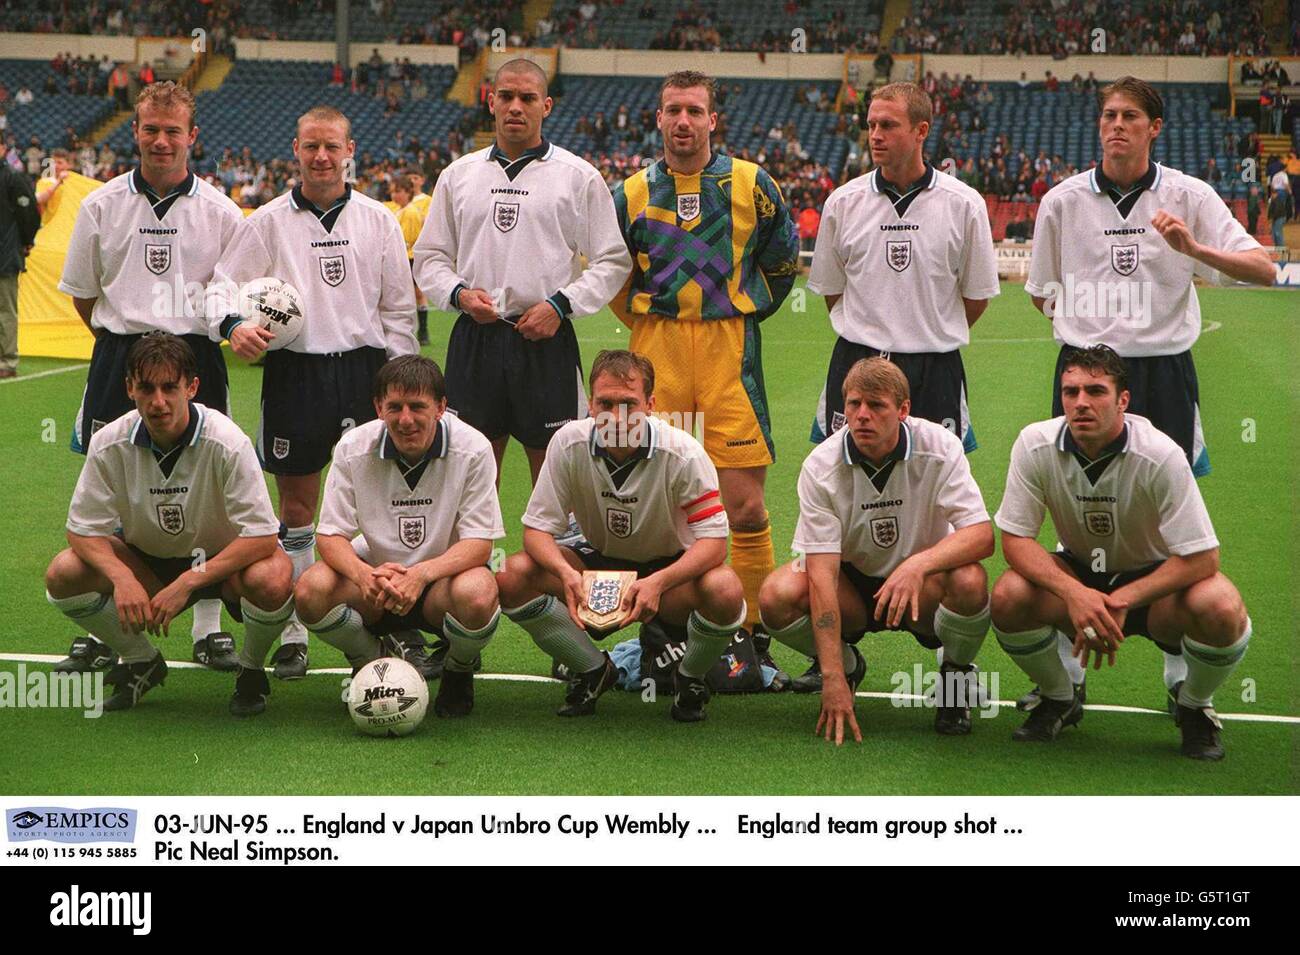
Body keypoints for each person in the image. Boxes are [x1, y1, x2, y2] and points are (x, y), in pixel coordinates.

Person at [1024, 77, 1272, 711]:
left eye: (1131, 115)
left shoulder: (1189, 195)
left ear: (1154, 126)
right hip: (1084, 370)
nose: (1117, 125)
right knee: (1069, 507)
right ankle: (1065, 673)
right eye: (1108, 114)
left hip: (1161, 371)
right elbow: (1041, 289)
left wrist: (1193, 249)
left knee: (1169, 517)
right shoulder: (1061, 200)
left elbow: (1264, 269)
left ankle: (1180, 678)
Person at [207, 104, 418, 680]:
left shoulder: (378, 220)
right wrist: (234, 328)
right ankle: (297, 630)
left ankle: (391, 622)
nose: (321, 157)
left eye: (332, 147)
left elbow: (399, 308)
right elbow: (220, 288)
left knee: (382, 506)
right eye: (310, 147)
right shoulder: (268, 222)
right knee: (298, 508)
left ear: (351, 152)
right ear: (295, 151)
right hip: (295, 375)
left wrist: (398, 381)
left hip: (365, 375)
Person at [799, 81, 997, 692]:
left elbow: (976, 298)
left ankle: (949, 655)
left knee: (939, 502)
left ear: (920, 130)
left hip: (933, 365)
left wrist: (921, 333)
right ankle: (838, 647)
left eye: (887, 125)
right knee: (845, 485)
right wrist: (874, 336)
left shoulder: (964, 203)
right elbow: (831, 289)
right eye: (870, 124)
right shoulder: (843, 202)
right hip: (856, 360)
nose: (875, 135)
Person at [56, 82, 245, 674]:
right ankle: (114, 624)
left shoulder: (221, 211)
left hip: (194, 355)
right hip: (121, 357)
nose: (161, 141)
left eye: (172, 131)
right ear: (134, 132)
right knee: (111, 488)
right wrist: (126, 347)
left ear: (192, 136)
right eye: (150, 130)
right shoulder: (101, 205)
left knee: (206, 492)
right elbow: (86, 298)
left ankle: (207, 625)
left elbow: (229, 294)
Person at [610, 69, 799, 654]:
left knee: (742, 506)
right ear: (659, 118)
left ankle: (748, 636)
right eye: (673, 110)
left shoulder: (753, 184)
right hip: (656, 353)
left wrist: (738, 313)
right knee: (651, 503)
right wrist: (649, 322)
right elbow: (615, 275)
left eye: (695, 110)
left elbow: (783, 260)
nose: (684, 121)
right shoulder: (631, 193)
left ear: (713, 119)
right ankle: (655, 630)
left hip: (728, 352)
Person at [991, 345, 1251, 761]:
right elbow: (1015, 541)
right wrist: (1075, 594)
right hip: (1078, 573)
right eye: (1070, 391)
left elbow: (1204, 558)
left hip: (1153, 585)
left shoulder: (1161, 454)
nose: (1081, 403)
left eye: (1096, 391)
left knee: (1220, 607)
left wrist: (1122, 600)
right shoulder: (1034, 444)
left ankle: (1194, 704)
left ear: (1123, 400)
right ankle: (1060, 698)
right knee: (1007, 596)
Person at [43, 334, 294, 714]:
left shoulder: (227, 441)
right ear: (129, 388)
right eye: (146, 388)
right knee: (63, 573)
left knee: (273, 577)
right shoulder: (109, 442)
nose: (158, 402)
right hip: (149, 561)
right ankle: (142, 661)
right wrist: (123, 578)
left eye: (169, 388)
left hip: (224, 564)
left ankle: (251, 668)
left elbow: (261, 536)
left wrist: (190, 581)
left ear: (191, 387)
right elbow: (82, 529)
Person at [495, 350, 745, 722]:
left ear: (651, 404)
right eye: (605, 403)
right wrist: (566, 575)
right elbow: (536, 530)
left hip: (668, 573)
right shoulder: (567, 443)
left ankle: (689, 677)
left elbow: (714, 544)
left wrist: (659, 583)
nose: (616, 415)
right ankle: (593, 670)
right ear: (590, 405)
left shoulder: (683, 453)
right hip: (596, 562)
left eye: (628, 403)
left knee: (725, 589)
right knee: (511, 574)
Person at [413, 59, 630, 488]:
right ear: (491, 102)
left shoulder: (578, 177)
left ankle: (552, 556)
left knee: (553, 476)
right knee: (470, 473)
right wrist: (459, 295)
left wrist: (560, 305)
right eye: (507, 97)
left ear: (546, 106)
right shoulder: (458, 176)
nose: (516, 107)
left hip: (546, 340)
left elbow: (612, 260)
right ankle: (475, 557)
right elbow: (429, 257)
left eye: (527, 98)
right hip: (476, 339)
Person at [760, 358, 993, 742]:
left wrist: (918, 565)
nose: (862, 415)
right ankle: (848, 666)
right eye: (854, 404)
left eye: (876, 405)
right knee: (776, 596)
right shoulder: (821, 466)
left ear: (903, 410)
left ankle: (955, 676)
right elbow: (820, 575)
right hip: (853, 586)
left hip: (923, 586)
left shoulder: (940, 446)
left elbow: (981, 536)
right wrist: (832, 676)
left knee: (970, 580)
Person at [295, 355, 503, 717]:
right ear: (378, 407)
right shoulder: (352, 447)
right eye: (394, 407)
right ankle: (369, 660)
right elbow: (330, 536)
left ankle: (458, 668)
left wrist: (420, 574)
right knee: (310, 590)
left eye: (418, 407)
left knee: (479, 592)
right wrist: (365, 577)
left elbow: (479, 542)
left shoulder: (474, 448)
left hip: (440, 583)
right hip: (376, 583)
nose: (406, 420)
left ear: (441, 407)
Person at [0, 139, 38, 380]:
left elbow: (29, 213)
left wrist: (25, 241)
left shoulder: (12, 177)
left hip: (4, 254)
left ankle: (7, 360)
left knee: (5, 309)